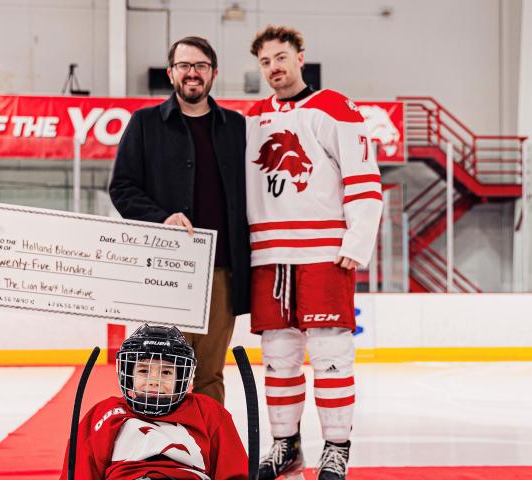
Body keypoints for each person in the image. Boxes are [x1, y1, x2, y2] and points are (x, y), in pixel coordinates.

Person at [245, 25, 383, 480]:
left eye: (281, 57)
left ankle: (337, 447)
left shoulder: (333, 107)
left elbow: (364, 177)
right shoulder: (252, 117)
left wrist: (357, 240)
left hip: (325, 251)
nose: (274, 68)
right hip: (269, 254)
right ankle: (286, 445)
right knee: (278, 356)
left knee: (330, 354)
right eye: (265, 62)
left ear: (300, 57)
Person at [109, 36, 250, 406]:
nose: (192, 73)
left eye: (200, 66)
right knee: (159, 369)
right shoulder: (144, 124)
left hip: (221, 270)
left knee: (210, 373)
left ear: (213, 73)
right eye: (184, 65)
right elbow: (122, 188)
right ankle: (159, 453)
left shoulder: (237, 127)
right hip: (166, 271)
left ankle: (207, 454)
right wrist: (161, 217)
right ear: (171, 73)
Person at [60, 324, 248, 479]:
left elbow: (233, 472)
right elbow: (82, 472)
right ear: (129, 375)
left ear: (180, 376)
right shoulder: (105, 413)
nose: (154, 380)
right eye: (143, 371)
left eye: (166, 372)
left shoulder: (207, 412)